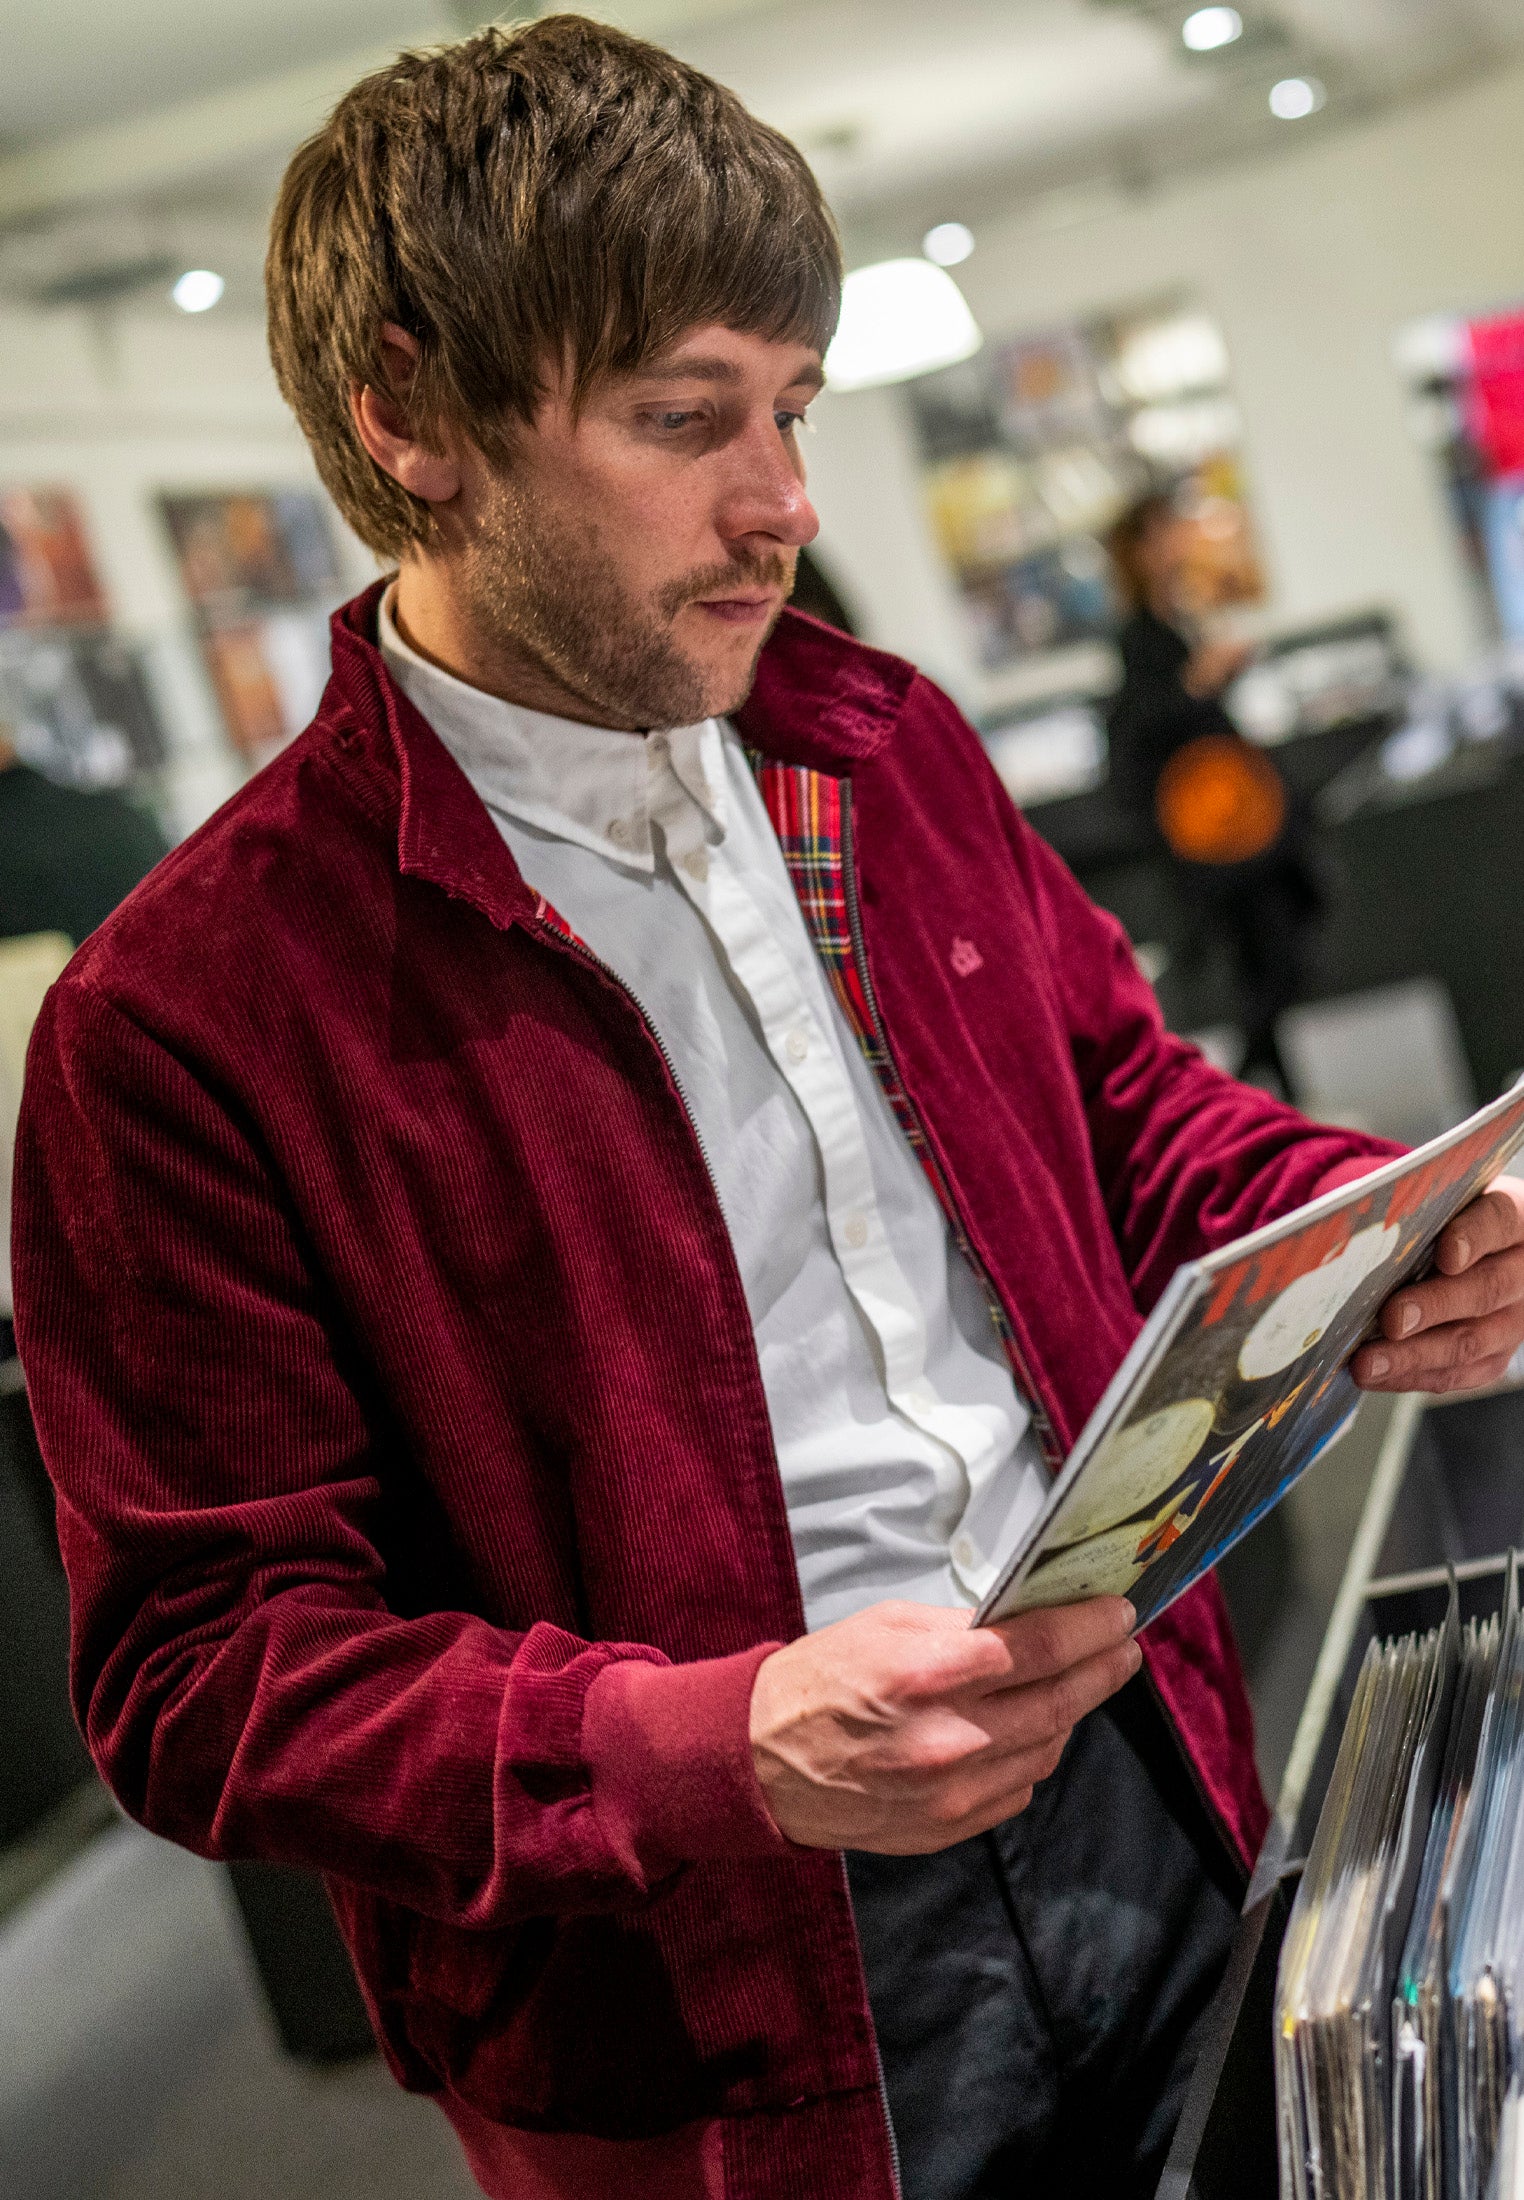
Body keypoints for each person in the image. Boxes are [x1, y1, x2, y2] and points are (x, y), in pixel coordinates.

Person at [12, 22, 1524, 2200]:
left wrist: (1360, 1216)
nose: (783, 502)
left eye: (792, 410)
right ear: (410, 415)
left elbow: (1114, 1099)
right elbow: (201, 1666)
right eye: (681, 419)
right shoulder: (190, 1015)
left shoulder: (871, 743)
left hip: (1147, 1761)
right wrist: (713, 1745)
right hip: (706, 1995)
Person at [1104, 491, 1324, 1096]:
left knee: (1264, 954)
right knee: (1263, 952)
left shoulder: (1171, 620)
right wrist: (1203, 677)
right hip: (1210, 826)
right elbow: (1146, 723)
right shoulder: (1140, 634)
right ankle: (1260, 1088)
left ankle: (1274, 1093)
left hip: (1223, 820)